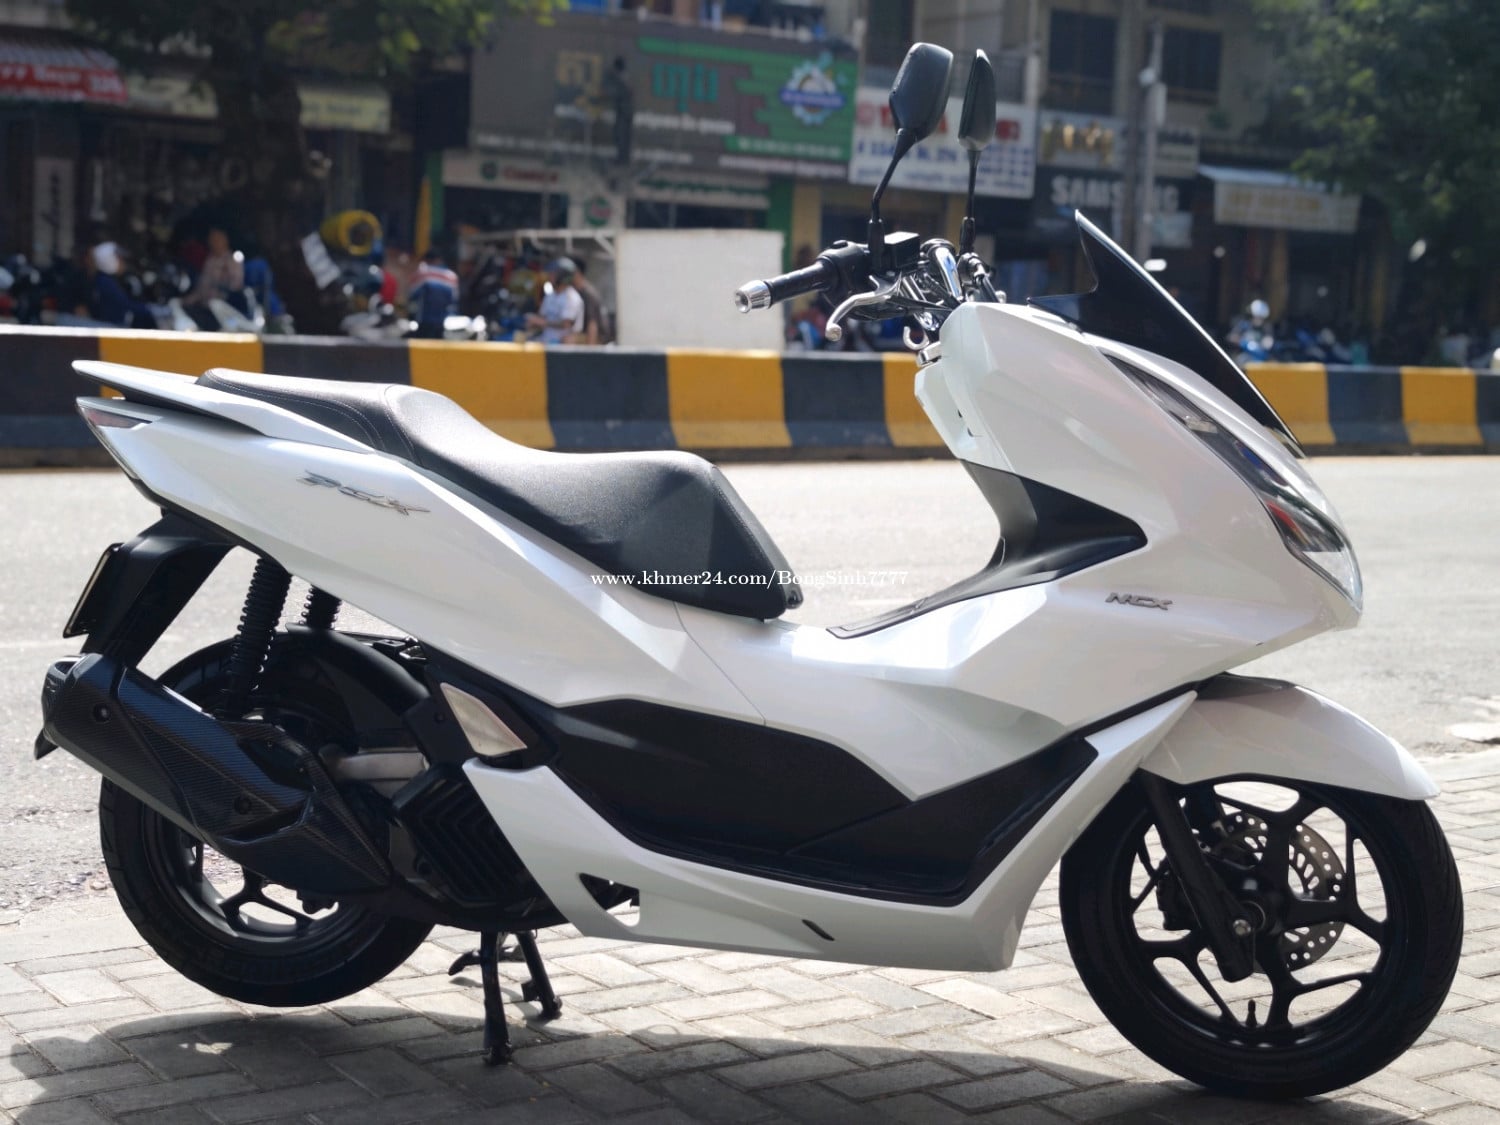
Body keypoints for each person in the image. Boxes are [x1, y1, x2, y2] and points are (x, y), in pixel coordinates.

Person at [182, 227, 246, 329]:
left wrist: (225, 275)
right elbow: (202, 288)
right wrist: (185, 301)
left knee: (215, 305)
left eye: (217, 239)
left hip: (225, 309)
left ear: (225, 240)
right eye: (211, 239)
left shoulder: (233, 260)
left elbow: (236, 286)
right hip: (205, 308)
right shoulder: (210, 260)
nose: (213, 242)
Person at [85, 241, 154, 328]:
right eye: (119, 259)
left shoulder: (105, 279)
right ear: (108, 260)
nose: (122, 262)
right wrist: (150, 310)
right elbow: (124, 304)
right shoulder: (105, 282)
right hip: (111, 327)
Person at [525, 258, 585, 345]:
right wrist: (533, 322)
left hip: (562, 345)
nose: (550, 277)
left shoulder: (572, 297)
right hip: (546, 342)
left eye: (554, 274)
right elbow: (542, 316)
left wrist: (542, 322)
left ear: (563, 276)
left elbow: (566, 324)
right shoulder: (550, 295)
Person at [407, 249, 460, 339]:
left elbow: (412, 295)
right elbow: (454, 299)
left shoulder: (422, 273)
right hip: (444, 321)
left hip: (424, 320)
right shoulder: (451, 276)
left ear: (426, 260)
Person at [570, 258, 610, 345]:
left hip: (596, 337)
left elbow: (593, 323)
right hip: (581, 334)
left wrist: (590, 350)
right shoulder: (573, 290)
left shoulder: (588, 293)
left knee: (568, 340)